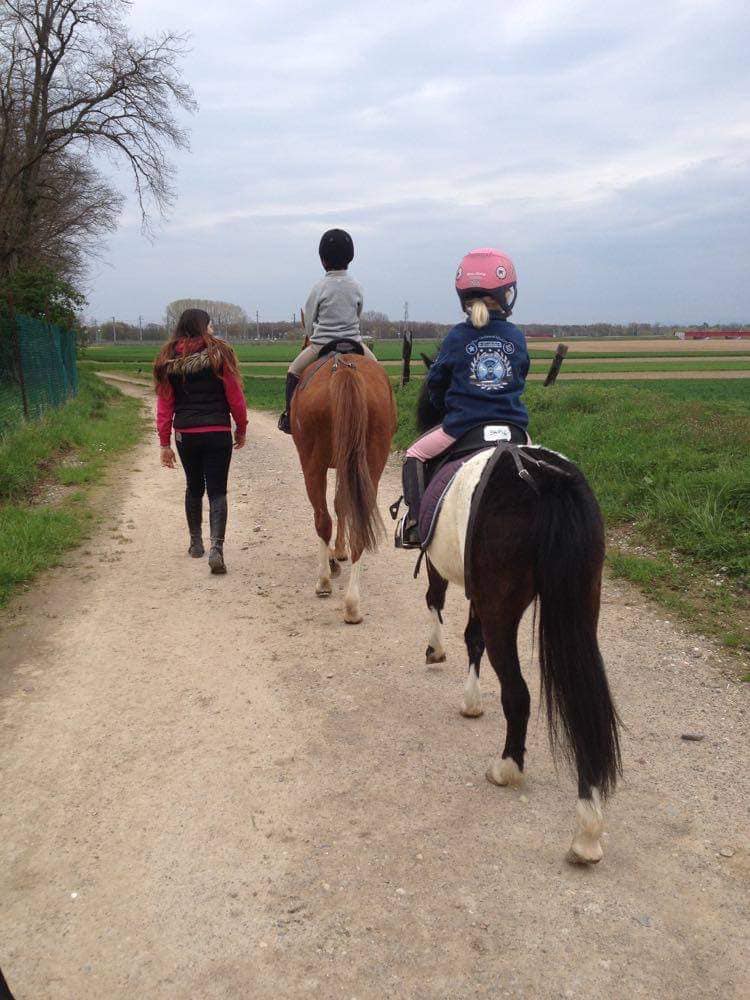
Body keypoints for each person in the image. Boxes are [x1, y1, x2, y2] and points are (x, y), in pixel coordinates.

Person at [395, 247, 530, 549]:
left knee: (414, 455)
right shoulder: (517, 337)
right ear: (507, 294)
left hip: (463, 427)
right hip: (515, 428)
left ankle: (415, 523)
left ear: (463, 297)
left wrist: (443, 403)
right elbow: (520, 375)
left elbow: (435, 383)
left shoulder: (457, 337)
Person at [154, 309, 248, 573]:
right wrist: (240, 427)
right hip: (217, 431)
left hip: (186, 434)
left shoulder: (168, 357)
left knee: (193, 487)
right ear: (202, 326)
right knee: (218, 491)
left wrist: (164, 444)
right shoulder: (220, 353)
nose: (212, 328)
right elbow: (235, 396)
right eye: (210, 324)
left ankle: (196, 544)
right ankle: (216, 548)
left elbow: (165, 405)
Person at [278, 228, 378, 433]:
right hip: (354, 343)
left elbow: (310, 319)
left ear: (323, 260)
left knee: (293, 371)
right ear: (350, 258)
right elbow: (358, 312)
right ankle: (385, 419)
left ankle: (288, 417)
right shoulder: (357, 286)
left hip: (322, 344)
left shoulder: (319, 287)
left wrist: (311, 333)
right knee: (377, 371)